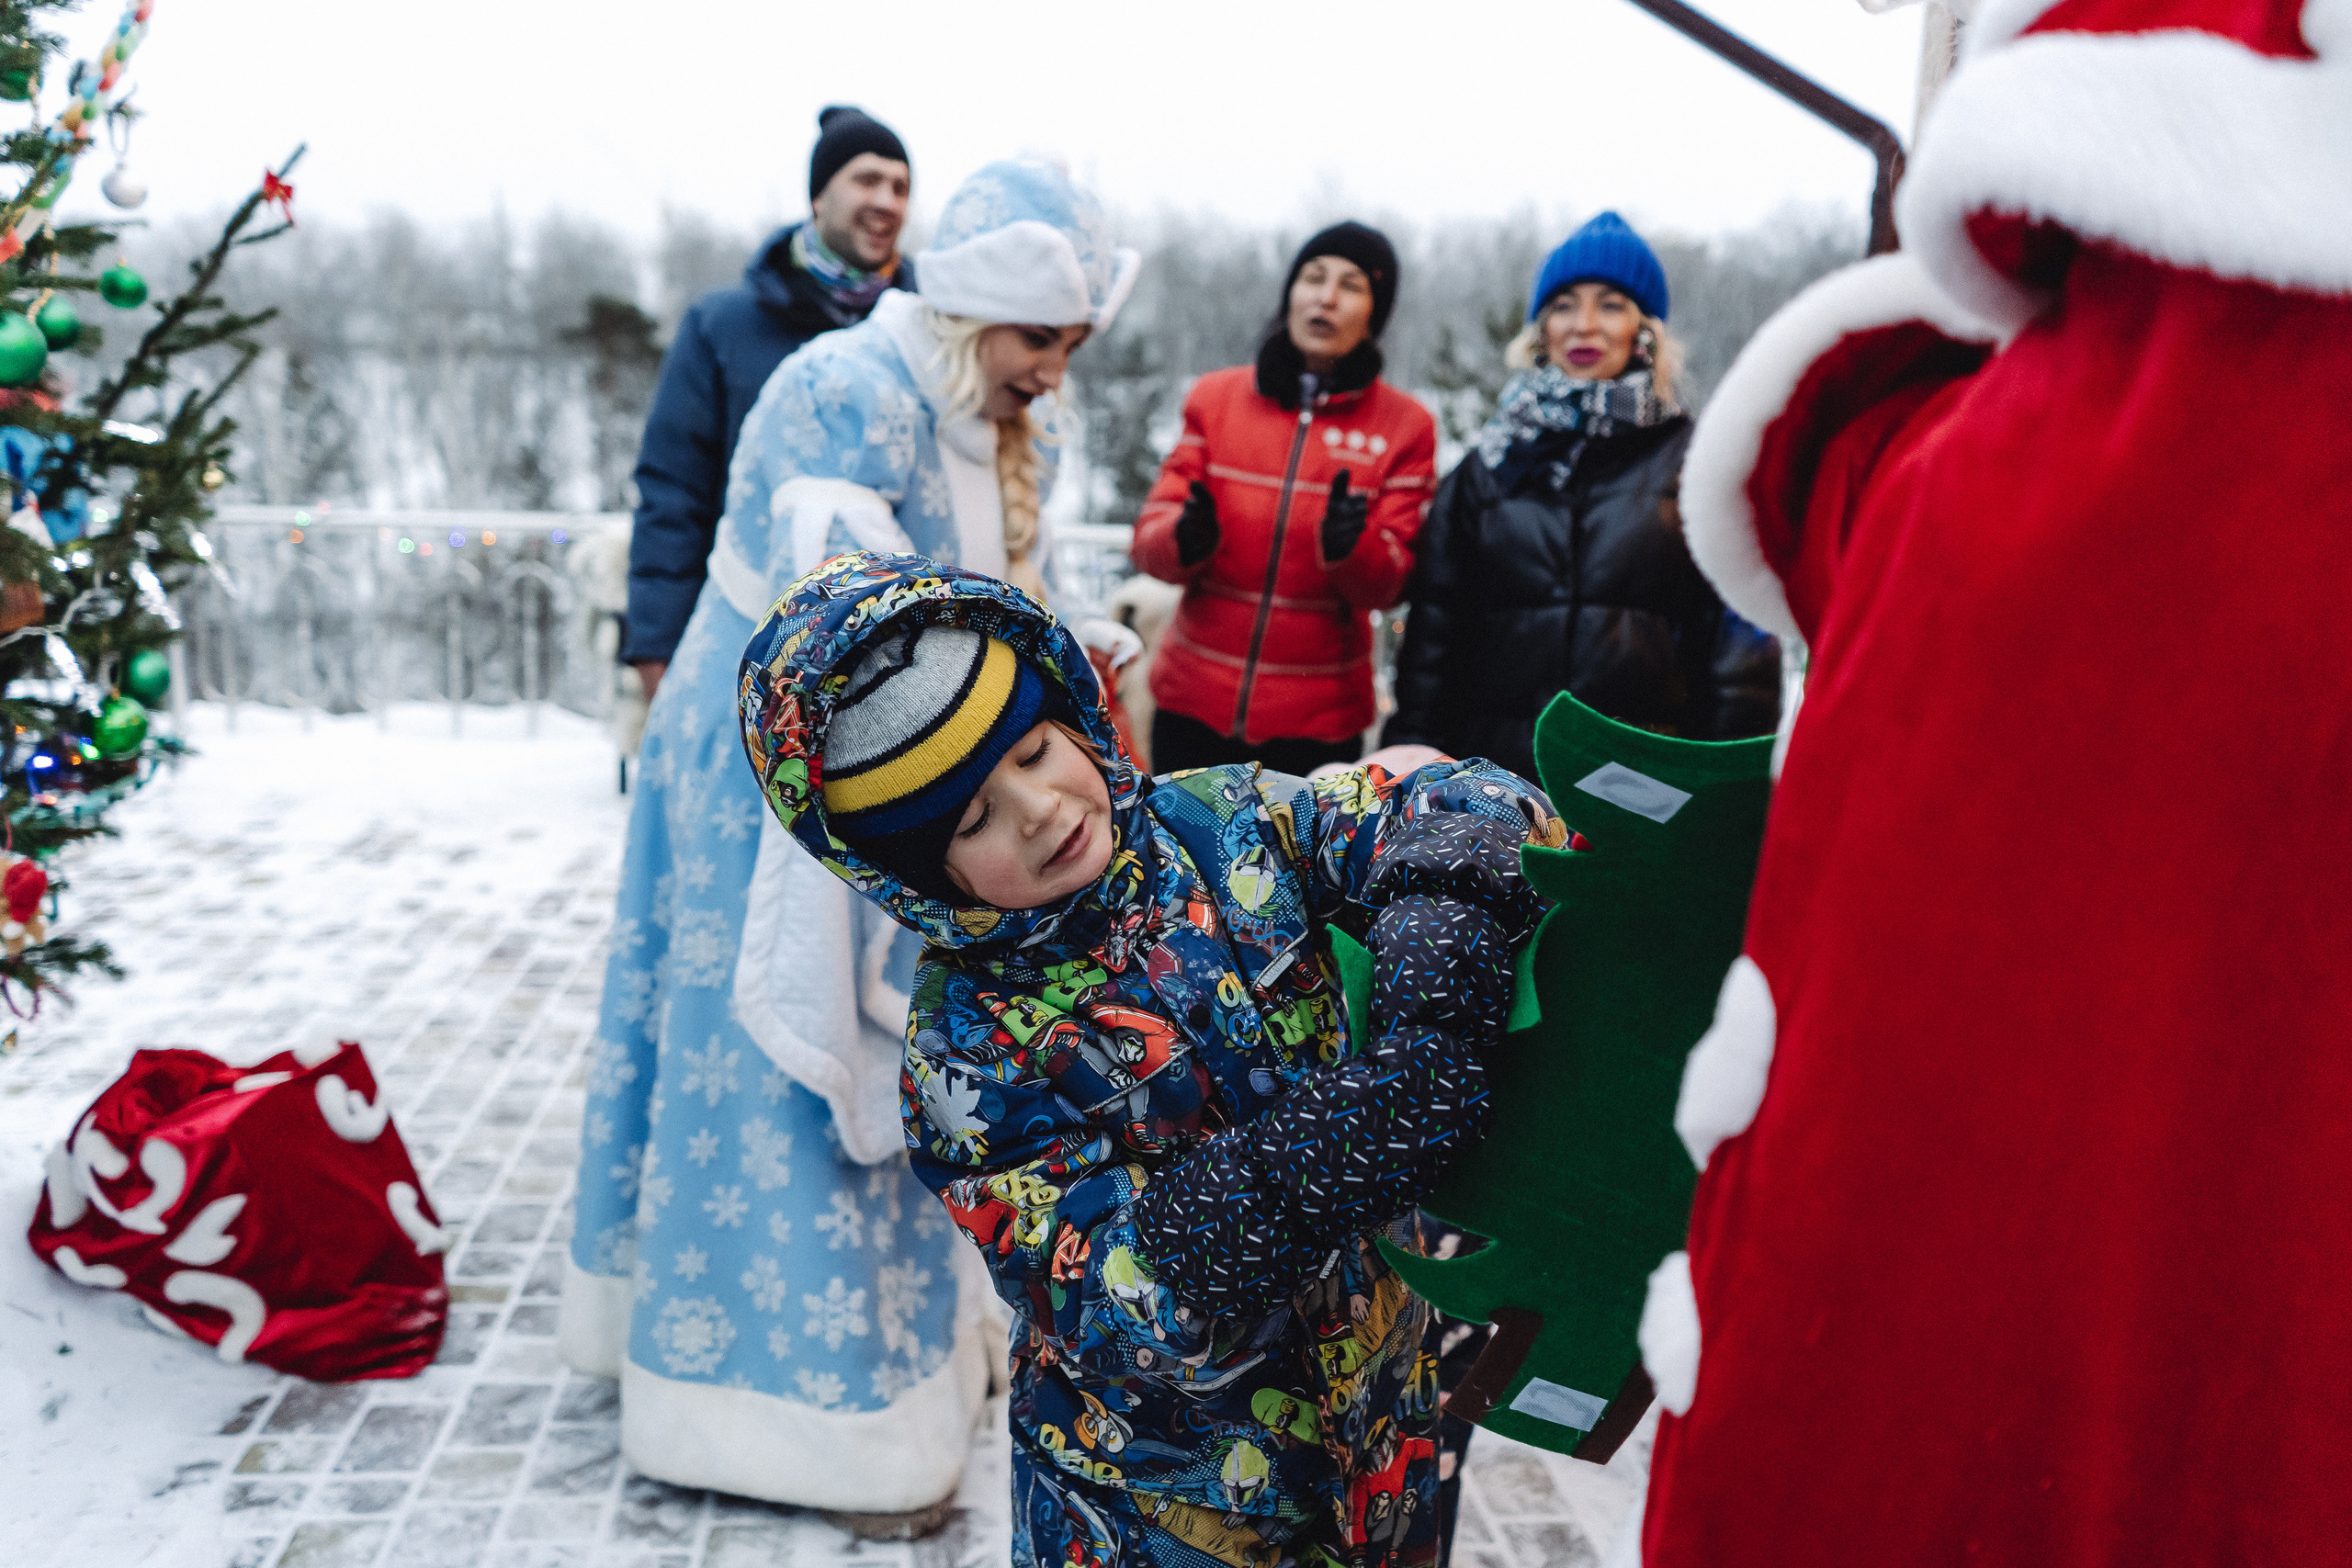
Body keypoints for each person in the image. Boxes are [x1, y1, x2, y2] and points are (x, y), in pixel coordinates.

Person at [739, 552, 1563, 1568]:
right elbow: (1106, 1289)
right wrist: (1305, 1167)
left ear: (1075, 714)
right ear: (917, 878)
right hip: (1162, 1508)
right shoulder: (966, 1054)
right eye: (972, 819)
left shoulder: (1231, 824)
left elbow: (1455, 800)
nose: (1037, 809)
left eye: (1036, 751)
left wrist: (1440, 942)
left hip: (1380, 1428)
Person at [562, 160, 1136, 1532]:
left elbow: (988, 593)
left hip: (924, 768)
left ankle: (912, 1360)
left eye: (1072, 345)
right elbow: (853, 620)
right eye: (1040, 341)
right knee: (774, 1064)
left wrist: (1063, 645)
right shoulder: (841, 390)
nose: (1054, 373)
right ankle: (802, 1403)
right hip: (782, 771)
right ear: (974, 316)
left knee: (921, 1044)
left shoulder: (1003, 419)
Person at [1383, 211, 1780, 785]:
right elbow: (1434, 645)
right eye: (1563, 305)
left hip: (1641, 786)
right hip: (1493, 785)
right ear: (1540, 330)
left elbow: (1739, 655)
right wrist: (1410, 768)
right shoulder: (1488, 467)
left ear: (1646, 329)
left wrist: (1724, 791)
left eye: (1611, 304)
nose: (1584, 324)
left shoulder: (1700, 465)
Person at [623, 105, 913, 704]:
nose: (887, 199)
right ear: (818, 197)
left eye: (901, 186)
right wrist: (656, 643)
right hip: (743, 635)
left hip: (899, 656)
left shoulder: (924, 330)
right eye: (866, 179)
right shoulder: (722, 326)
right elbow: (674, 491)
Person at [1131, 222, 1437, 775]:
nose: (1326, 296)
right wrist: (1184, 538)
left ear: (1375, 314)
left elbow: (1392, 584)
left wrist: (1354, 547)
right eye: (1312, 277)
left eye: (1351, 285)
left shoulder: (1405, 427)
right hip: (1191, 705)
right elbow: (1149, 543)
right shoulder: (1215, 399)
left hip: (1317, 726)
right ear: (1289, 294)